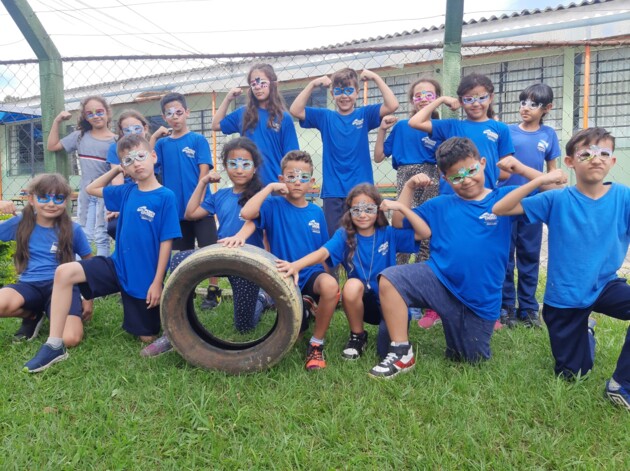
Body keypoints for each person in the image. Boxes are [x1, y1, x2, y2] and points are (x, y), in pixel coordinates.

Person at [368, 137, 559, 379]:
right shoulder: (440, 204)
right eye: (456, 176)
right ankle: (400, 351)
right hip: (439, 280)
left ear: (483, 163)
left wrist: (526, 171)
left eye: (471, 170)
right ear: (445, 178)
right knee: (391, 278)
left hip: (478, 298)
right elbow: (399, 222)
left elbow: (555, 193)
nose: (466, 179)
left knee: (471, 358)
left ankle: (458, 331)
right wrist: (407, 189)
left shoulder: (504, 198)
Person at [492, 127, 630, 411]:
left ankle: (621, 384)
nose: (596, 158)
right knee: (574, 374)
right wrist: (541, 178)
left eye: (604, 153)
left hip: (605, 284)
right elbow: (501, 208)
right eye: (586, 153)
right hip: (565, 296)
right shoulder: (556, 199)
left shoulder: (623, 198)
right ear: (570, 162)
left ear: (612, 162)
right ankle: (585, 331)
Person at [24, 134, 181, 373]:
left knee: (147, 337)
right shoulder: (126, 192)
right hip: (116, 267)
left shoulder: (166, 196)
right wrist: (118, 168)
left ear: (153, 156)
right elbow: (91, 188)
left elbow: (166, 242)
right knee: (64, 272)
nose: (136, 163)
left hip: (144, 278)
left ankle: (174, 331)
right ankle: (54, 344)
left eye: (140, 156)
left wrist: (158, 282)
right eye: (129, 160)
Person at [141, 137, 271, 357]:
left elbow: (259, 225)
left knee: (244, 326)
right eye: (233, 163)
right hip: (220, 256)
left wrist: (248, 246)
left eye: (245, 164)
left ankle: (262, 299)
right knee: (180, 259)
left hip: (248, 262)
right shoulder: (220, 195)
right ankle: (174, 329)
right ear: (225, 166)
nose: (239, 169)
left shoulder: (262, 196)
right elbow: (190, 213)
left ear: (255, 167)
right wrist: (202, 183)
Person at [409, 72, 515, 329]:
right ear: (460, 100)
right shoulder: (452, 125)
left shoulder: (500, 129)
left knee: (485, 257)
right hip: (451, 200)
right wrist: (442, 100)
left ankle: (488, 311)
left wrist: (484, 177)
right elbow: (416, 121)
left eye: (481, 97)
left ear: (491, 97)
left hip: (487, 202)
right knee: (445, 252)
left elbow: (506, 168)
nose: (476, 103)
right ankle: (436, 307)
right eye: (468, 98)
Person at [277, 183, 423, 360]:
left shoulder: (388, 233)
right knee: (352, 285)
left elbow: (424, 233)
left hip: (389, 302)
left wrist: (399, 206)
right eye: (356, 210)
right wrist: (296, 265)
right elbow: (323, 252)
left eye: (369, 209)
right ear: (349, 212)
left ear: (378, 210)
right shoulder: (344, 235)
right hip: (361, 300)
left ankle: (391, 332)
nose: (362, 215)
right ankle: (357, 336)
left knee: (385, 351)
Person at [239, 150, 338, 370]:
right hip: (284, 275)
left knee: (331, 286)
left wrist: (326, 292)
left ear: (311, 182)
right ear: (282, 179)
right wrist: (270, 188)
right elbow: (247, 213)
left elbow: (322, 252)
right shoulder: (273, 205)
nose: (297, 182)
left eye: (303, 177)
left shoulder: (316, 212)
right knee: (293, 333)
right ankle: (301, 307)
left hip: (310, 273)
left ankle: (316, 344)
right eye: (291, 177)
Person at [290, 68, 399, 236]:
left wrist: (376, 77)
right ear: (332, 94)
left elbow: (392, 105)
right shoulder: (325, 117)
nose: (344, 96)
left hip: (361, 189)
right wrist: (313, 84)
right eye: (339, 91)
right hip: (333, 190)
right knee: (335, 238)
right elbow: (295, 110)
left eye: (349, 91)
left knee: (364, 235)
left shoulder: (364, 114)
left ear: (356, 93)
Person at [0, 174, 92, 345]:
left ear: (66, 201)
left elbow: (88, 264)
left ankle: (57, 311)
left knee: (70, 339)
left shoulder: (73, 229)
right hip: (28, 285)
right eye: (43, 197)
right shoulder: (20, 223)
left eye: (58, 198)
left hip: (62, 287)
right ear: (31, 199)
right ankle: (33, 315)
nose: (51, 204)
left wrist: (88, 298)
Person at [500, 84, 561, 328]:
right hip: (506, 203)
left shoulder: (549, 135)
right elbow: (500, 168)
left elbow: (553, 175)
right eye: (523, 102)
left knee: (529, 256)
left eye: (533, 104)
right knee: (505, 256)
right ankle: (505, 306)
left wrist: (545, 182)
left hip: (533, 206)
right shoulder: (507, 132)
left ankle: (527, 307)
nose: (525, 108)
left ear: (547, 108)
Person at [154, 92, 220, 309]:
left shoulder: (198, 140)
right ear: (164, 117)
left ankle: (213, 291)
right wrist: (153, 138)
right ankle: (186, 290)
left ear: (187, 113)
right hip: (176, 209)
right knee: (181, 252)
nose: (175, 117)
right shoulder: (162, 145)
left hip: (201, 207)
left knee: (208, 250)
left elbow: (204, 171)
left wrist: (200, 198)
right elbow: (150, 165)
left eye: (179, 112)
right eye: (170, 114)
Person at [47, 95, 116, 257]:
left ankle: (101, 272)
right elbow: (52, 146)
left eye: (99, 111)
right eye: (90, 113)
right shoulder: (80, 136)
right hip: (86, 194)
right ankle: (79, 271)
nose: (96, 116)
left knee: (101, 235)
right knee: (84, 233)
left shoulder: (116, 140)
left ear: (107, 112)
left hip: (104, 194)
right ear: (85, 117)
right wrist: (57, 121)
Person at [212, 63, 300, 185]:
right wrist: (228, 99)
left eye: (262, 82)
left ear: (273, 84)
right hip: (248, 186)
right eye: (254, 84)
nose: (258, 87)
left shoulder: (283, 118)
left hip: (275, 186)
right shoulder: (243, 113)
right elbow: (215, 125)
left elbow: (292, 157)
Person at [105, 109, 153, 239]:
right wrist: (118, 205)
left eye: (137, 128)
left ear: (145, 128)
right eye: (127, 130)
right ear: (121, 132)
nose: (133, 133)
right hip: (127, 196)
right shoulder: (115, 149)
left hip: (150, 196)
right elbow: (117, 181)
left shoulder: (152, 148)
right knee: (115, 226)